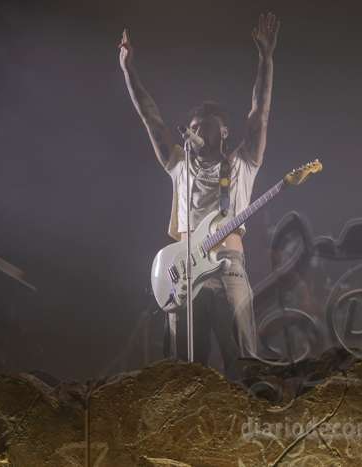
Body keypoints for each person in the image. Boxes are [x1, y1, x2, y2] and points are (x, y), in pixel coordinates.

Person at [119, 13, 280, 380]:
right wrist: (129, 71)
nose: (194, 131)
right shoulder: (179, 163)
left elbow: (260, 113)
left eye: (203, 126)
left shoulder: (242, 163)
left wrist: (266, 60)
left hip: (227, 266)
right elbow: (150, 118)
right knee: (185, 369)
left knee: (244, 359)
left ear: (223, 132)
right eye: (191, 127)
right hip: (184, 272)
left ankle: (250, 398)